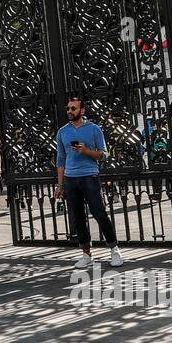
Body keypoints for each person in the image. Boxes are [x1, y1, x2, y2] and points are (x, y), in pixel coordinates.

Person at [55, 97, 123, 270]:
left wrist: (86, 151)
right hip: (70, 180)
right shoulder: (63, 132)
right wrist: (60, 185)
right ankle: (86, 254)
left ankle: (114, 250)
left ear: (82, 111)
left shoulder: (94, 129)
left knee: (100, 213)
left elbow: (104, 155)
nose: (70, 111)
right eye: (68, 108)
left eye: (73, 108)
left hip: (90, 177)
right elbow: (61, 160)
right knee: (78, 218)